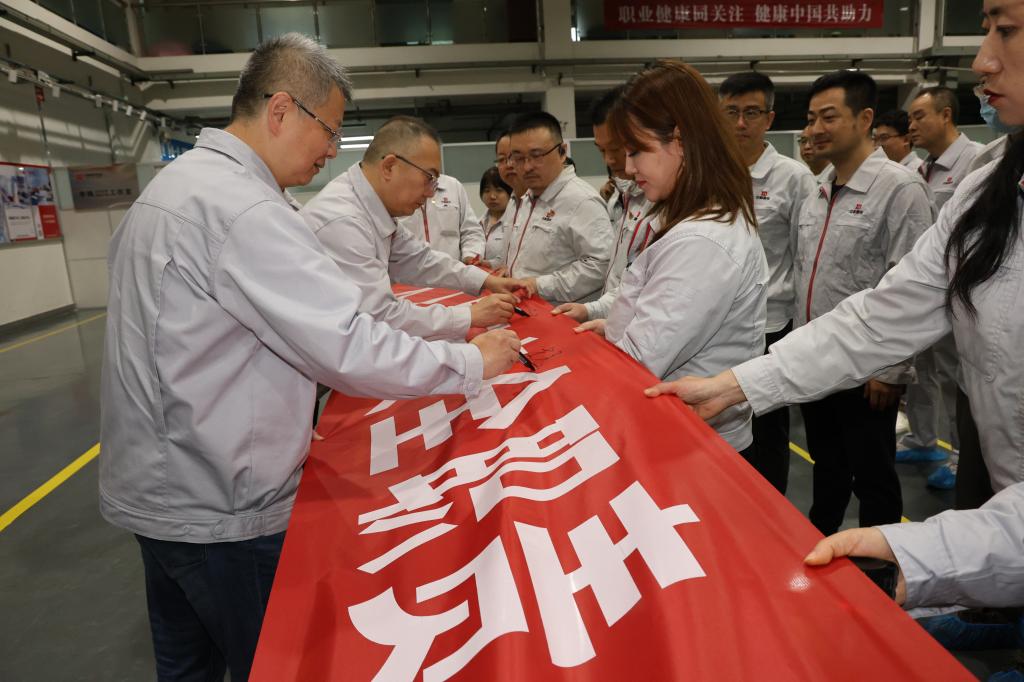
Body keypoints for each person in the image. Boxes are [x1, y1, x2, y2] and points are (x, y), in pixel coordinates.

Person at [100, 35, 521, 681]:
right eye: (328, 130)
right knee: (272, 662)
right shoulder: (245, 210)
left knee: (188, 665)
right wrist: (471, 362)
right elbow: (347, 341)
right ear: (280, 109)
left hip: (161, 489)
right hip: (223, 505)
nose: (332, 150)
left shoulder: (174, 187)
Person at [646, 0, 1024, 617]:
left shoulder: (895, 186)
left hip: (997, 502)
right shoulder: (993, 181)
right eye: (985, 30)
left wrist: (915, 557)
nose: (982, 59)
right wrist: (739, 385)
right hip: (991, 465)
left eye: (1006, 30)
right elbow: (886, 310)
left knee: (872, 474)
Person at [665, 70, 936, 536]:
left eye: (829, 117)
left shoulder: (900, 189)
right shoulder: (819, 188)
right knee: (826, 464)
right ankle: (820, 545)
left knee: (873, 474)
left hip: (868, 361)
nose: (815, 129)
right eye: (811, 119)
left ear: (865, 119)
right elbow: (800, 266)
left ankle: (879, 566)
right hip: (813, 352)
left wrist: (892, 370)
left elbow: (912, 283)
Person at [575, 60, 768, 454]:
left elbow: (639, 362)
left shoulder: (703, 241)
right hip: (683, 437)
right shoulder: (693, 217)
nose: (628, 167)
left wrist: (600, 353)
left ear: (680, 140)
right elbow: (664, 319)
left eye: (636, 151)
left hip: (694, 448)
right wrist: (613, 328)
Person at [301, 115, 522, 342]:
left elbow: (420, 259)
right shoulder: (344, 222)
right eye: (429, 178)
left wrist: (486, 281)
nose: (431, 192)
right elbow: (379, 317)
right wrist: (468, 315)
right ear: (389, 167)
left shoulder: (374, 207)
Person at [718, 71, 816, 493]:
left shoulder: (793, 179)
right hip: (718, 323)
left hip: (771, 324)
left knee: (769, 429)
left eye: (752, 113)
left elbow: (805, 256)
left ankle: (770, 507)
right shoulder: (709, 173)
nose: (741, 123)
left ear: (770, 118)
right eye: (731, 112)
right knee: (724, 423)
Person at [895, 86, 986, 471]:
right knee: (922, 371)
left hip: (961, 290)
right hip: (924, 287)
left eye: (919, 116)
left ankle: (961, 456)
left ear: (946, 115)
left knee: (955, 377)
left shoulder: (977, 161)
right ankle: (922, 438)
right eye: (910, 118)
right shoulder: (918, 169)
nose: (912, 125)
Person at [551, 85, 653, 323]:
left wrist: (597, 313)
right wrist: (593, 311)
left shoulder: (666, 202)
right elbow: (629, 280)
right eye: (601, 150)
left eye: (617, 149)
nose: (609, 160)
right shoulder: (628, 193)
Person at [502, 111, 614, 304]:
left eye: (536, 156)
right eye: (518, 158)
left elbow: (599, 266)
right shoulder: (529, 197)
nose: (527, 167)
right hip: (525, 308)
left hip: (562, 314)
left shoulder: (581, 200)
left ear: (562, 152)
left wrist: (539, 285)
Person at [398, 172, 486, 263]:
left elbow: (471, 231)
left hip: (453, 269)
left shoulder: (453, 186)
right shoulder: (397, 187)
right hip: (408, 269)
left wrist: (471, 256)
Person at [478, 166, 512, 268]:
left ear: (510, 192)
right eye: (487, 191)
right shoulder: (477, 223)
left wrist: (488, 264)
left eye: (499, 190)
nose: (492, 196)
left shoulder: (515, 223)